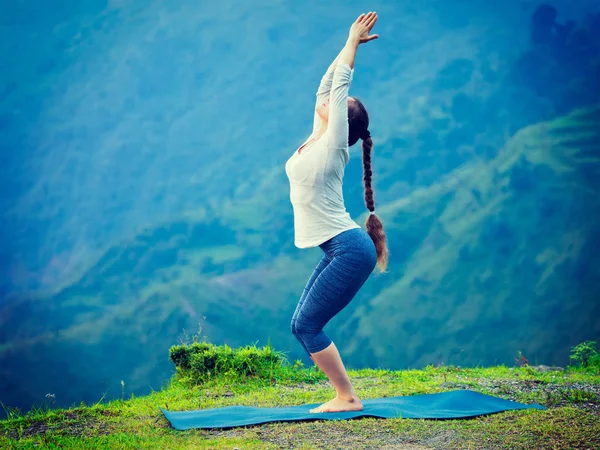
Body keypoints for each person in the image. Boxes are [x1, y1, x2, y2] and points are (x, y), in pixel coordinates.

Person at [284, 11, 389, 414]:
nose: (327, 101)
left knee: (308, 325)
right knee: (300, 325)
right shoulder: (319, 135)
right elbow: (327, 85)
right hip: (339, 249)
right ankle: (345, 394)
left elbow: (340, 84)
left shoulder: (333, 148)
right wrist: (347, 47)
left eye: (336, 104)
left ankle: (347, 397)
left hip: (350, 250)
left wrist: (351, 42)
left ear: (342, 123)